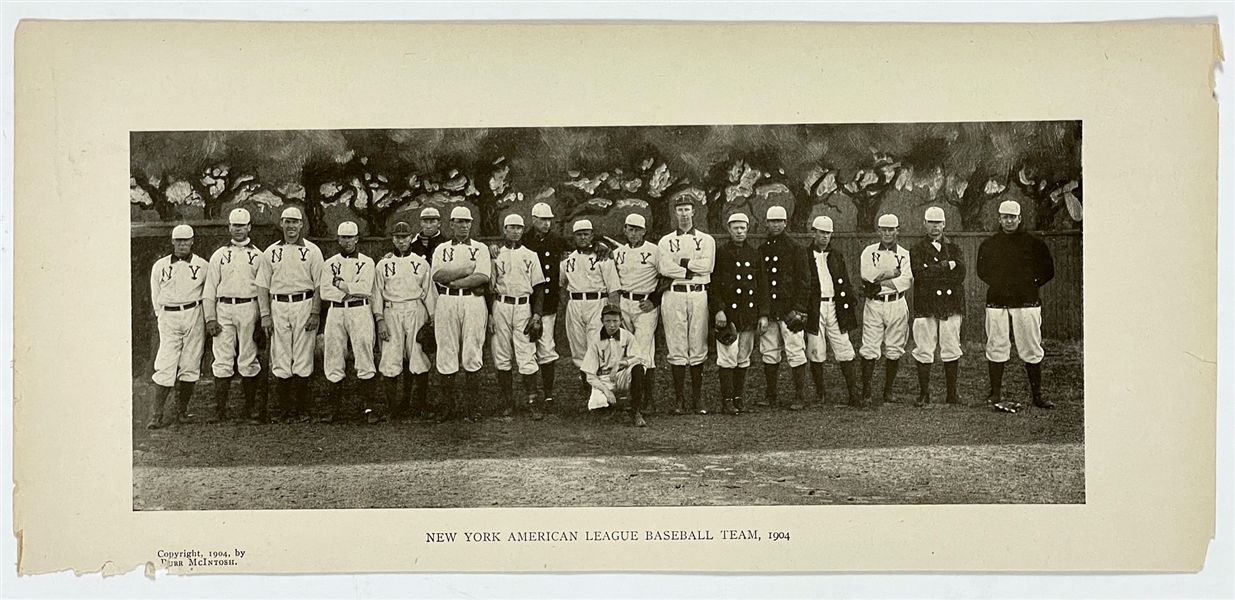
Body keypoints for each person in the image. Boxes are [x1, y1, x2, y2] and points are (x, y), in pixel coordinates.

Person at [976, 200, 1056, 413]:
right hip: (997, 301)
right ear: (999, 219)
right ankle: (995, 392)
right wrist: (1001, 283)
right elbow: (981, 270)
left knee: (1030, 345)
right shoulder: (989, 244)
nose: (1009, 221)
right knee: (996, 344)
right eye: (1005, 217)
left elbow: (1048, 270)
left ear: (1020, 218)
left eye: (1013, 217)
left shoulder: (1034, 243)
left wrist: (1030, 284)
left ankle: (1037, 395)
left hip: (1026, 301)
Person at [256, 206, 324, 422]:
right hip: (279, 305)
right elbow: (262, 286)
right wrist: (265, 315)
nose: (291, 226)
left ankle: (302, 409)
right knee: (281, 356)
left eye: (295, 222)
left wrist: (315, 312)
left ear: (301, 225)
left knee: (303, 356)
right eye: (287, 221)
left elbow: (319, 285)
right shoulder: (270, 252)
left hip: (303, 304)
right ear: (281, 224)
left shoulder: (312, 251)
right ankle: (284, 409)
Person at [657, 189, 716, 414]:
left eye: (687, 210)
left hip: (699, 293)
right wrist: (692, 267)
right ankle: (679, 399)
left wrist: (681, 264)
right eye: (680, 210)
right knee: (677, 343)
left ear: (694, 212)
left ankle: (697, 399)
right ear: (675, 213)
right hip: (674, 294)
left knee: (698, 343)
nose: (684, 214)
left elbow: (708, 267)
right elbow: (664, 268)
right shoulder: (666, 241)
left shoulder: (706, 239)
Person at [430, 206, 492, 421]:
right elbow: (437, 274)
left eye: (467, 222)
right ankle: (448, 405)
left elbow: (482, 276)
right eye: (459, 222)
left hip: (472, 301)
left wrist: (455, 281)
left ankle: (472, 407)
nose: (463, 226)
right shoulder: (442, 249)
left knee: (472, 348)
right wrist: (465, 271)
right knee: (446, 348)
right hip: (446, 301)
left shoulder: (480, 248)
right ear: (451, 224)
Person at [202, 208, 263, 424]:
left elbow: (264, 288)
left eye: (242, 225)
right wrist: (210, 318)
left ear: (249, 227)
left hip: (249, 306)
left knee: (248, 356)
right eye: (234, 225)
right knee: (222, 357)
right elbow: (209, 289)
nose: (238, 229)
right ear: (229, 227)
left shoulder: (258, 255)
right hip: (224, 308)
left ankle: (250, 410)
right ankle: (220, 411)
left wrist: (263, 317)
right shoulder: (219, 255)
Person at [146, 224, 209, 429]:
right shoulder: (161, 266)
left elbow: (207, 293)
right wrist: (160, 315)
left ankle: (182, 411)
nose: (182, 244)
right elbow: (156, 294)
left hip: (193, 314)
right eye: (178, 240)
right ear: (172, 242)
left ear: (193, 241)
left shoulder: (202, 265)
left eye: (186, 240)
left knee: (190, 363)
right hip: (169, 316)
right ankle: (156, 415)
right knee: (165, 363)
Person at [318, 221, 380, 423]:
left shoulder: (367, 262)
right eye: (343, 237)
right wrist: (347, 292)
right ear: (338, 238)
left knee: (364, 352)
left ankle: (368, 408)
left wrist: (341, 285)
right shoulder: (329, 263)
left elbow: (365, 289)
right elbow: (325, 291)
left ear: (357, 238)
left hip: (360, 310)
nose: (347, 241)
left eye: (350, 237)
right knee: (334, 354)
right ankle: (334, 409)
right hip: (336, 312)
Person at [375, 221, 436, 420]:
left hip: (415, 309)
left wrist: (432, 318)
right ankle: (394, 409)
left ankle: (418, 406)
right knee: (390, 356)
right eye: (397, 237)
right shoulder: (383, 264)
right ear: (392, 238)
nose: (401, 241)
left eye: (405, 237)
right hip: (391, 310)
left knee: (417, 356)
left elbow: (428, 292)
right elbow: (376, 294)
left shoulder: (421, 262)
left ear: (411, 238)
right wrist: (380, 320)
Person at [489, 213, 548, 419]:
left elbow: (539, 287)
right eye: (511, 227)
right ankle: (508, 402)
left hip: (523, 307)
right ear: (504, 229)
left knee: (526, 354)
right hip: (501, 305)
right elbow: (489, 287)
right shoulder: (495, 254)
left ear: (523, 230)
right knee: (502, 356)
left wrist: (537, 315)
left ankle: (532, 401)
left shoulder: (530, 254)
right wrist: (489, 314)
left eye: (519, 227)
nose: (515, 231)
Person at [711, 213, 768, 415]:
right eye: (735, 228)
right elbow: (714, 285)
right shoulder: (721, 253)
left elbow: (762, 286)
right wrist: (718, 309)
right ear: (729, 229)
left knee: (743, 357)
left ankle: (738, 398)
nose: (739, 231)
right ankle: (726, 400)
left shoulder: (754, 254)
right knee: (727, 357)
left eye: (743, 228)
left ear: (748, 229)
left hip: (748, 314)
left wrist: (763, 314)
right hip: (728, 315)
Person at [910, 206, 966, 407]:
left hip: (950, 303)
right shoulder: (916, 249)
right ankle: (924, 393)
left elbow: (960, 274)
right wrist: (945, 266)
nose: (935, 226)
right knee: (924, 346)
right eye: (930, 222)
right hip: (926, 303)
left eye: (938, 222)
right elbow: (920, 274)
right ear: (924, 224)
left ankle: (952, 394)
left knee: (951, 346)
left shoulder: (954, 247)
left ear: (944, 224)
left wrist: (933, 269)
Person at [803, 216, 862, 407]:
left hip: (835, 306)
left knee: (844, 347)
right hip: (815, 307)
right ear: (814, 233)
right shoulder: (805, 255)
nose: (824, 237)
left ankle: (853, 393)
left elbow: (844, 279)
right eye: (821, 232)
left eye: (828, 233)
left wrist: (849, 298)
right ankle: (820, 394)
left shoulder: (836, 255)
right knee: (815, 348)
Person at [758, 205, 811, 411]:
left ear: (785, 223)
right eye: (772, 221)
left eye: (780, 221)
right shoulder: (763, 250)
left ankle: (799, 396)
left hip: (790, 311)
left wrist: (798, 309)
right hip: (771, 311)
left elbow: (804, 281)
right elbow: (762, 283)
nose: (776, 225)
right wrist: (763, 311)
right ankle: (771, 395)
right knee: (769, 351)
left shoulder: (796, 248)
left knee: (796, 350)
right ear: (767, 223)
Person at [522, 201, 574, 408]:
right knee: (526, 347)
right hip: (526, 302)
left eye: (549, 220)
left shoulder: (556, 241)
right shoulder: (525, 240)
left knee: (546, 346)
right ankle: (531, 394)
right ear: (534, 220)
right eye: (542, 220)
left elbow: (578, 249)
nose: (546, 224)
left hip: (549, 302)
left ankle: (549, 394)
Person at [858, 213, 914, 407]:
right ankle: (866, 391)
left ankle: (888, 391)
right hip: (874, 304)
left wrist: (881, 282)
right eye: (884, 229)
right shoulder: (869, 251)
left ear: (897, 230)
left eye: (892, 229)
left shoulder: (905, 254)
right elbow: (867, 274)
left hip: (897, 303)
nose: (888, 233)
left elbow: (906, 280)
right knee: (870, 347)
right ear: (878, 231)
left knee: (894, 347)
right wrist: (891, 274)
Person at [561, 219, 620, 391]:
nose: (583, 238)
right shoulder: (567, 260)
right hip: (575, 304)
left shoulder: (603, 257)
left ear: (592, 236)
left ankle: (601, 389)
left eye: (586, 234)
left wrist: (613, 316)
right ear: (574, 237)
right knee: (579, 348)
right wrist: (570, 303)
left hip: (597, 303)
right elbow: (562, 284)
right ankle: (587, 386)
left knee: (598, 344)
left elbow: (613, 289)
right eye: (579, 235)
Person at [613, 213, 661, 413]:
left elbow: (666, 276)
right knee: (625, 349)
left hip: (645, 305)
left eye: (637, 230)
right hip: (625, 302)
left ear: (644, 232)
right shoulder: (619, 252)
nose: (633, 234)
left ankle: (645, 400)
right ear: (624, 230)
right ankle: (629, 396)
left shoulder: (654, 251)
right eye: (630, 229)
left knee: (642, 352)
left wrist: (654, 300)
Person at [582, 304, 648, 427]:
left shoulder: (627, 336)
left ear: (621, 321)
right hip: (604, 379)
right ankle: (614, 407)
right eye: (608, 321)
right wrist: (606, 391)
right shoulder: (595, 340)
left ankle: (635, 411)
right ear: (602, 321)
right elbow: (590, 374)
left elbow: (639, 357)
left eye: (615, 321)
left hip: (621, 375)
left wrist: (620, 363)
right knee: (597, 404)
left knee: (638, 369)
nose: (612, 325)